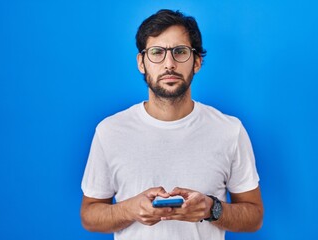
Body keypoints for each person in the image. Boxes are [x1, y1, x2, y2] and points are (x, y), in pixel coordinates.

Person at [80, 9, 263, 240]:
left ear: (196, 62)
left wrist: (211, 209)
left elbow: (254, 215)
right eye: (157, 52)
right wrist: (129, 209)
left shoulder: (229, 130)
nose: (169, 64)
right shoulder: (109, 131)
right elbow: (89, 214)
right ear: (141, 62)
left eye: (180, 52)